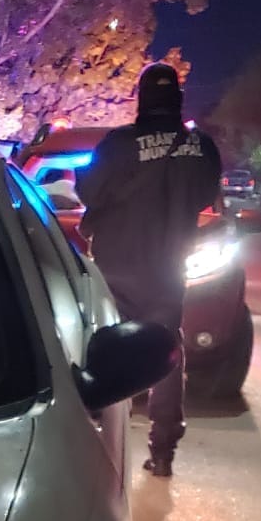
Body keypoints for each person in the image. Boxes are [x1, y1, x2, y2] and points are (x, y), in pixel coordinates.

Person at [77, 62, 222, 478]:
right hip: (167, 268)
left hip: (116, 266)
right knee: (165, 350)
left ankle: (98, 438)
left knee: (104, 347)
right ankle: (163, 450)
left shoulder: (119, 144)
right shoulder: (203, 147)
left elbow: (88, 190)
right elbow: (204, 197)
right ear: (177, 98)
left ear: (142, 99)